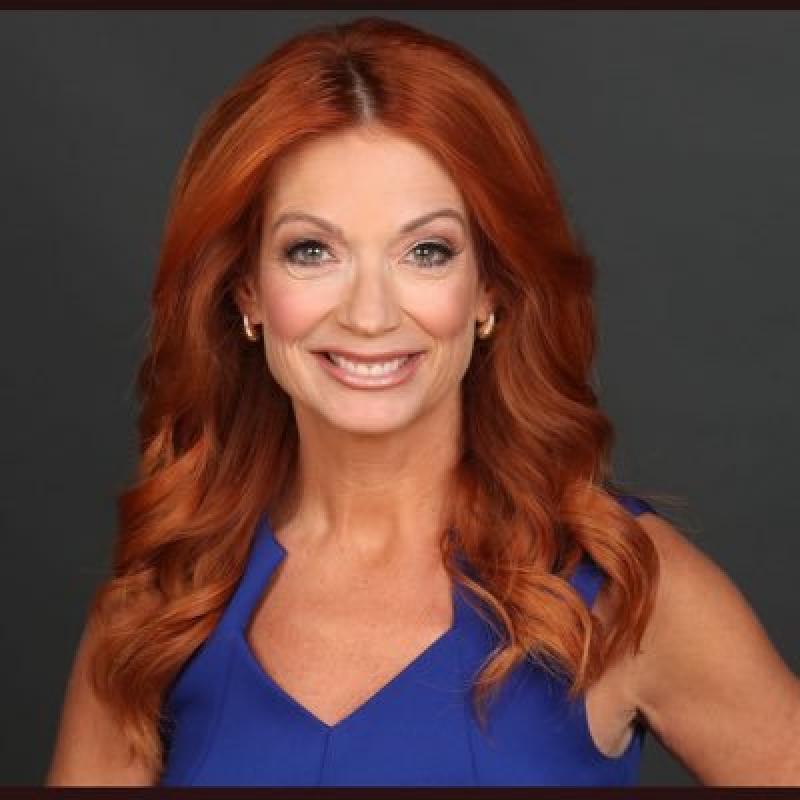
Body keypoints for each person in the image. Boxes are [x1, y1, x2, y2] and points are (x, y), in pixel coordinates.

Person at [46, 16, 799, 787]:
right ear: (247, 291)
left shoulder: (624, 584)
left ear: (488, 289)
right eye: (312, 250)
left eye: (426, 251)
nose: (370, 314)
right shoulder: (161, 605)